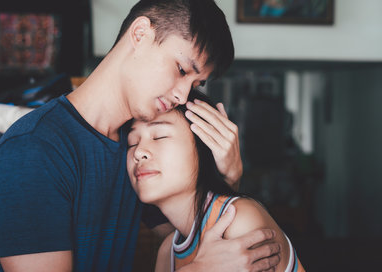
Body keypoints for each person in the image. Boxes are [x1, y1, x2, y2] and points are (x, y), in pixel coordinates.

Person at [0, 0, 281, 271]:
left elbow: (191, 242)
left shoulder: (137, 148)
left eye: (195, 83)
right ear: (140, 34)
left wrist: (227, 176)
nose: (182, 94)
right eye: (181, 69)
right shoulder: (32, 152)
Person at [127, 90, 306, 272]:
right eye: (132, 142)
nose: (138, 152)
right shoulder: (167, 252)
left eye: (159, 136)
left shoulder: (239, 221)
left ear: (204, 147)